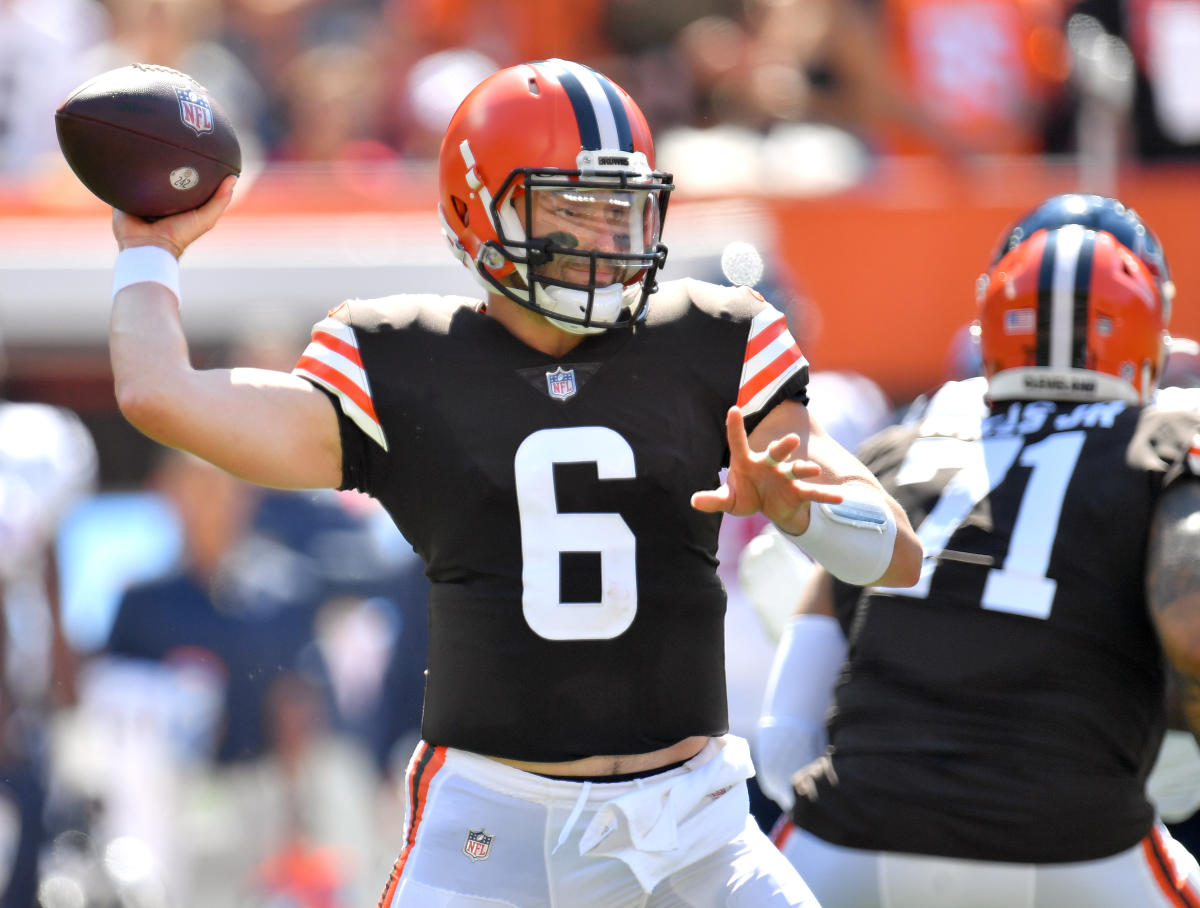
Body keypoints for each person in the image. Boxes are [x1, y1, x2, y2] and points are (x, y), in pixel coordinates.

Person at [103, 58, 922, 906]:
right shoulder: (406, 362)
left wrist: (811, 517)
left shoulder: (713, 337)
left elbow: (895, 555)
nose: (608, 239)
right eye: (573, 208)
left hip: (693, 830)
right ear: (477, 206)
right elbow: (161, 395)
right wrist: (149, 253)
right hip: (494, 825)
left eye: (624, 210)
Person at [757, 216, 1200, 905]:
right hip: (1075, 840)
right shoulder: (1170, 434)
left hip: (847, 835)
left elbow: (785, 738)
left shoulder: (901, 449)